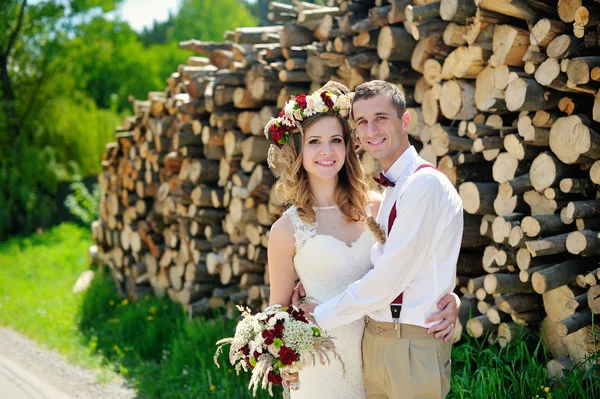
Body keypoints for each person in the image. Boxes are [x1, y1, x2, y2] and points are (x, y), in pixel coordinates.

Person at [266, 81, 460, 399]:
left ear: (349, 146)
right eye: (314, 142)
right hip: (320, 362)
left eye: (335, 140)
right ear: (299, 151)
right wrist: (282, 356)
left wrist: (450, 299)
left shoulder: (378, 209)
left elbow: (415, 265)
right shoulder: (286, 230)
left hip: (380, 353)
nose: (326, 151)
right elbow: (278, 310)